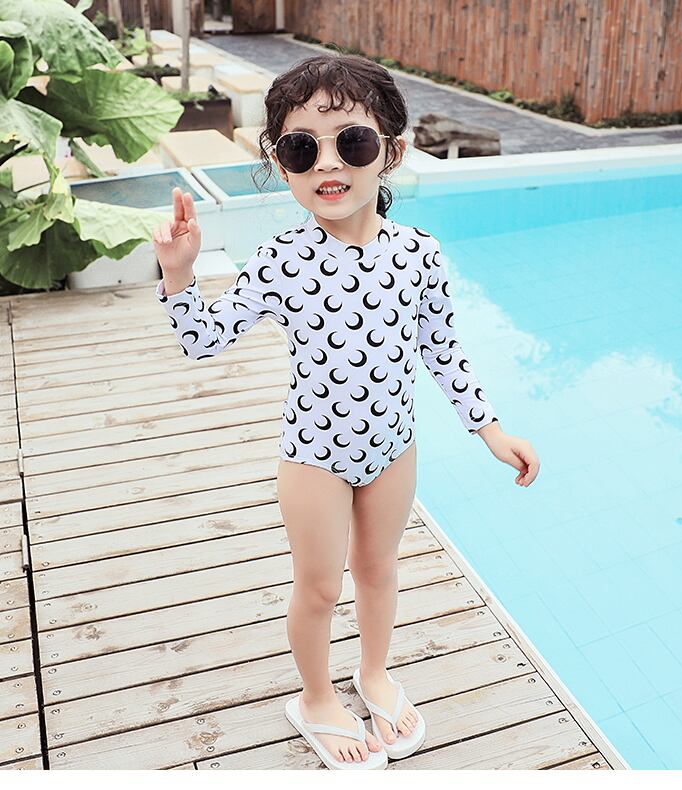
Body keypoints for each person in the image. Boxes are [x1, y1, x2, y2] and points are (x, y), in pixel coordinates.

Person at [153, 52, 540, 770]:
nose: (328, 163)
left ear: (391, 151)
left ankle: (374, 674)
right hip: (314, 455)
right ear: (281, 164)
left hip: (393, 446)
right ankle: (315, 697)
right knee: (320, 585)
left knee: (379, 569)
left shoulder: (419, 254)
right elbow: (203, 339)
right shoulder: (282, 259)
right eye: (302, 149)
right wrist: (179, 275)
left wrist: (490, 430)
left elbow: (442, 349)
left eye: (352, 142)